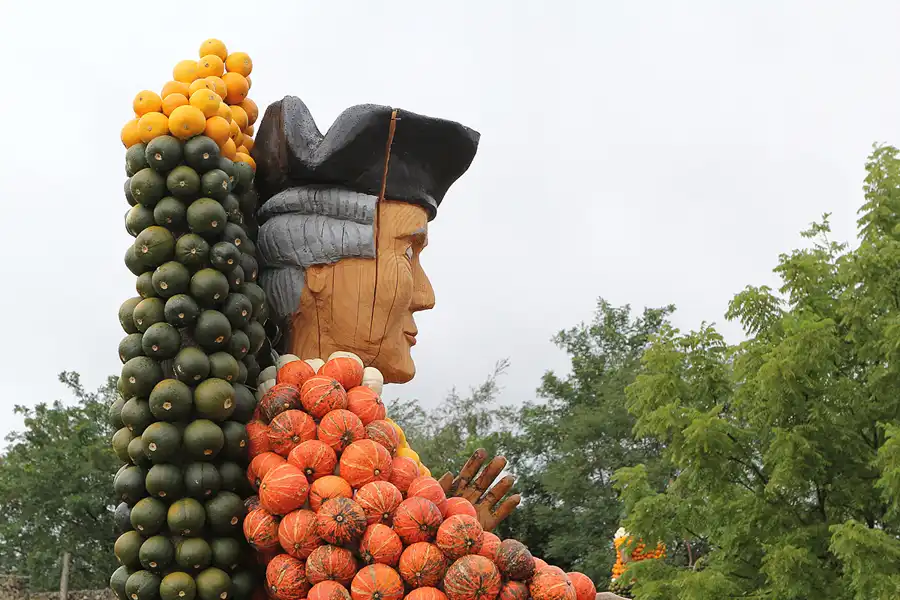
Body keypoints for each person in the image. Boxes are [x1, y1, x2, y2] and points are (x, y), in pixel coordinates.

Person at [252, 97, 518, 529]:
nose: (425, 295)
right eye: (407, 252)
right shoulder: (272, 455)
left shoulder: (370, 444)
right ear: (317, 273)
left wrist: (447, 536)